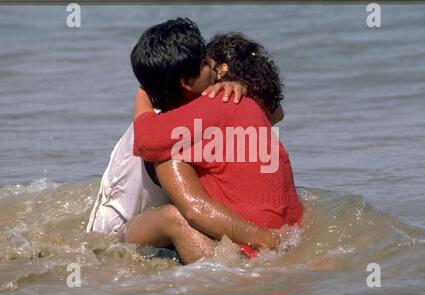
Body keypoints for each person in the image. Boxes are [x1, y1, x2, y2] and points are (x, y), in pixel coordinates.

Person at [87, 19, 282, 264]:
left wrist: (242, 90)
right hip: (118, 237)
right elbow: (194, 209)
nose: (214, 66)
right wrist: (262, 238)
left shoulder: (185, 112)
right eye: (204, 63)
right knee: (178, 217)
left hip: (163, 221)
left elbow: (273, 115)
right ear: (187, 82)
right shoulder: (168, 130)